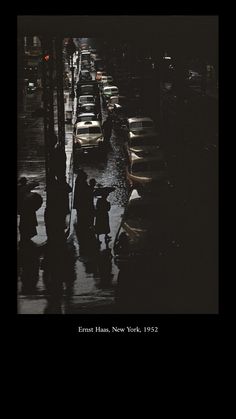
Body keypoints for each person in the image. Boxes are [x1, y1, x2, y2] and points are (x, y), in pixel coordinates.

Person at [18, 178, 42, 243]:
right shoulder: (25, 188)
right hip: (28, 209)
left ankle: (24, 236)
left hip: (23, 210)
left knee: (23, 222)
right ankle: (27, 236)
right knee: (29, 222)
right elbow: (36, 183)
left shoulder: (20, 189)